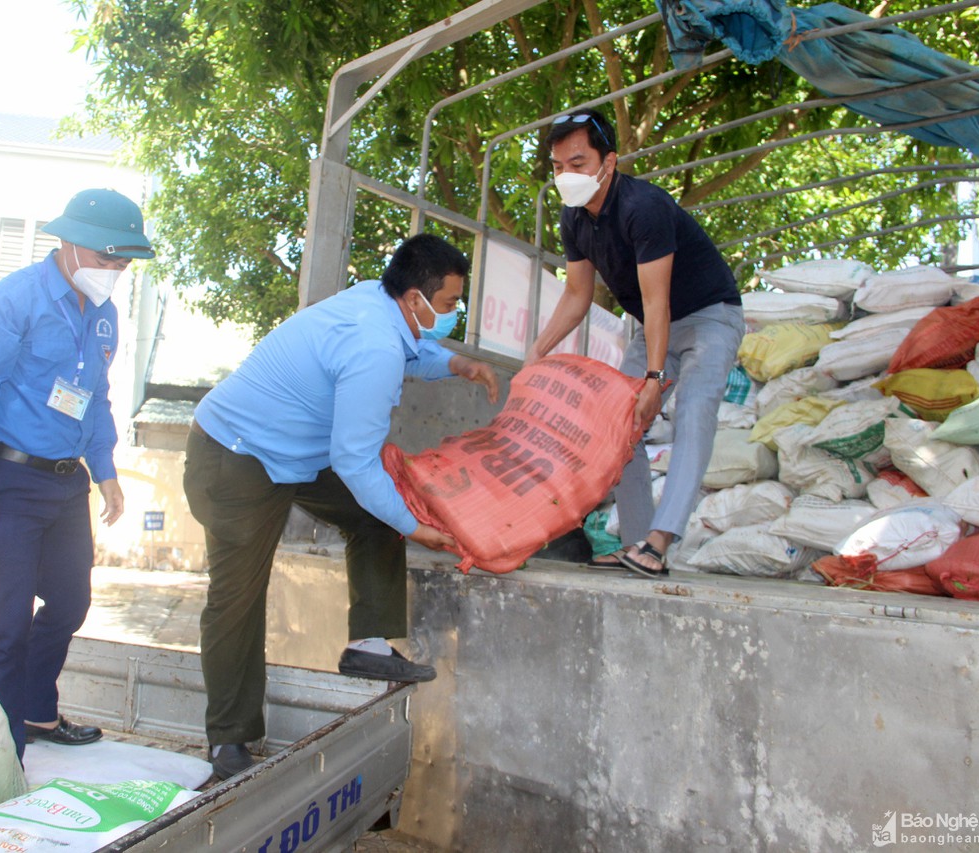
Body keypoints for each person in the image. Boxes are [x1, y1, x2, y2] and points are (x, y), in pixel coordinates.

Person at [185, 233, 499, 781]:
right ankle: (228, 741)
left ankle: (368, 643)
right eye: (449, 304)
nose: (453, 313)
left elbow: (415, 349)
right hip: (236, 456)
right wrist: (414, 527)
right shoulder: (372, 344)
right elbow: (356, 464)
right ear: (414, 299)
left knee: (376, 514)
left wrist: (456, 364)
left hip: (298, 453)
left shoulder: (378, 304)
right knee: (238, 596)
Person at [0, 187, 153, 758]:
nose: (113, 273)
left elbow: (96, 398)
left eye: (122, 264)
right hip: (9, 481)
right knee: (7, 620)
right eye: (104, 259)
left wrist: (105, 468)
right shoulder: (13, 302)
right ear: (67, 243)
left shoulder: (105, 315)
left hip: (67, 484)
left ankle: (36, 710)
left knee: (71, 602)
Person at [527, 108, 744, 577]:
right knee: (617, 426)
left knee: (693, 413)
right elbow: (577, 294)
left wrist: (653, 378)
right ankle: (635, 544)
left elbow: (657, 298)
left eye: (578, 163)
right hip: (654, 325)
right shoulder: (573, 220)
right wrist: (536, 353)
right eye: (558, 166)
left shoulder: (643, 208)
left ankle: (660, 541)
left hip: (709, 316)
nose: (566, 176)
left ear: (610, 161)